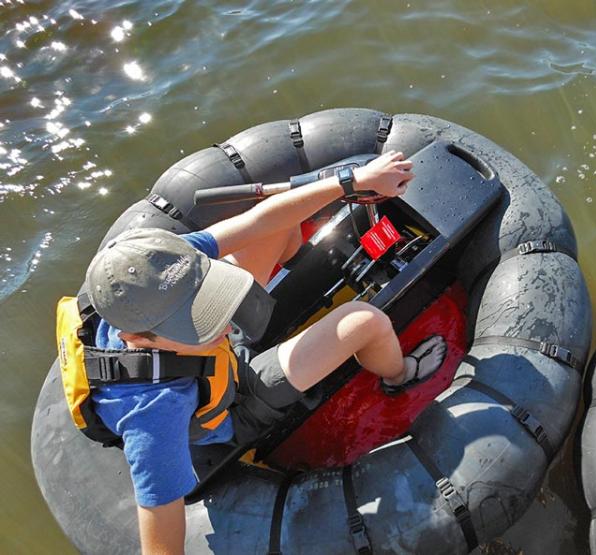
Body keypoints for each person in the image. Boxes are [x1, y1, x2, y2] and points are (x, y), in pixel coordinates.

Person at [84, 150, 447, 554]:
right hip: (229, 402)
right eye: (199, 319)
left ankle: (296, 267)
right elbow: (161, 545)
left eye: (207, 297)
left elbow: (258, 221)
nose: (220, 316)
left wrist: (355, 180)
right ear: (140, 339)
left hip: (206, 358)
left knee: (277, 225)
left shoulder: (158, 272)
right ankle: (399, 376)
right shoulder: (154, 416)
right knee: (365, 322)